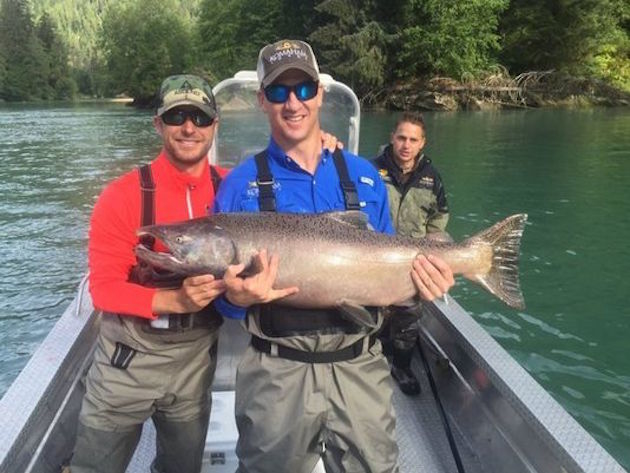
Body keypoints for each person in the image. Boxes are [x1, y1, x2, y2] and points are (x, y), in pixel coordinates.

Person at [213, 39, 455, 473]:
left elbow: (386, 265)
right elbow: (222, 299)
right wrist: (237, 298)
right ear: (261, 101)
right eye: (278, 92)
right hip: (275, 374)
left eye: (303, 90)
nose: (293, 103)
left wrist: (422, 285)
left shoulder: (364, 175)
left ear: (320, 94)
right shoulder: (237, 184)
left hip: (360, 364)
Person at [70, 75, 228, 473]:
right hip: (125, 364)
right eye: (176, 116)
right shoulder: (121, 196)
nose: (189, 127)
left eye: (200, 116)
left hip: (196, 365)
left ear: (214, 125)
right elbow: (104, 290)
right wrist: (173, 300)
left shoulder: (233, 186)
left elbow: (290, 199)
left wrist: (325, 150)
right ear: (158, 124)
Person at [373, 112, 450, 396]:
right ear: (392, 138)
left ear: (422, 144)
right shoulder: (371, 171)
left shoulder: (431, 177)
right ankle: (373, 367)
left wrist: (434, 253)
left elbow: (439, 218)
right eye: (401, 137)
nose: (406, 145)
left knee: (408, 320)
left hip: (415, 262)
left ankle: (402, 367)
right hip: (375, 261)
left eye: (413, 140)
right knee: (375, 316)